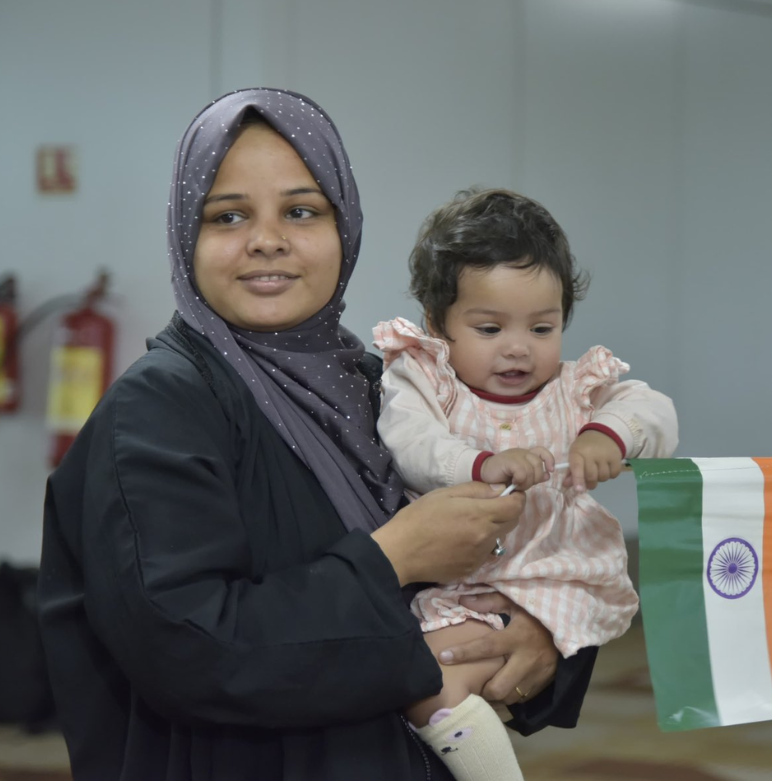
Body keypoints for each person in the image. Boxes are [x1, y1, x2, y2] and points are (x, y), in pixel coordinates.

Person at [37, 89, 597, 781]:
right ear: (187, 236)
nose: (266, 239)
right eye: (228, 215)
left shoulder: (387, 389)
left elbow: (544, 550)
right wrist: (391, 559)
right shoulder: (161, 409)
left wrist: (544, 638)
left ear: (345, 227)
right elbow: (187, 648)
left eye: (301, 211)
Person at [373, 189, 680, 780]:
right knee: (431, 684)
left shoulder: (574, 388)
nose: (518, 348)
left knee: (432, 680)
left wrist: (607, 435)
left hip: (557, 574)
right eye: (489, 328)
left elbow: (654, 410)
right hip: (463, 582)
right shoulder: (427, 384)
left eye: (543, 327)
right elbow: (410, 443)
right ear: (438, 324)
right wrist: (478, 463)